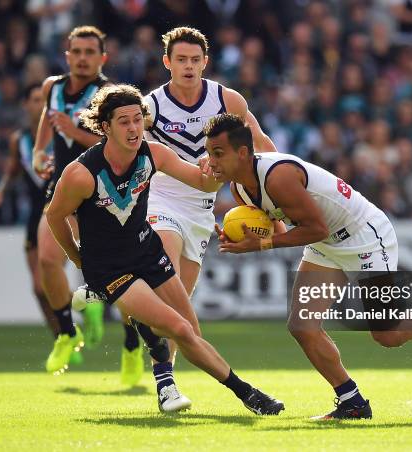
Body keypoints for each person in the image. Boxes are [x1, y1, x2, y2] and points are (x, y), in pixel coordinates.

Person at [205, 113, 412, 420]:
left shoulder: (278, 177)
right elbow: (280, 226)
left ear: (243, 153)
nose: (212, 162)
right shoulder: (239, 189)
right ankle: (352, 402)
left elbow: (315, 229)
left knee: (388, 335)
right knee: (302, 326)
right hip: (328, 243)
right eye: (209, 154)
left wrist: (260, 245)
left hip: (364, 235)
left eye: (218, 154)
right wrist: (248, 238)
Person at [46, 84, 285, 415]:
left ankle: (147, 334)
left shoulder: (153, 153)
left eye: (137, 120)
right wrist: (78, 258)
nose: (133, 129)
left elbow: (202, 182)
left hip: (146, 251)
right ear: (105, 127)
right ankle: (248, 395)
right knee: (179, 329)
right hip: (111, 269)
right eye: (123, 122)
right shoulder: (81, 174)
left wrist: (217, 168)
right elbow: (55, 216)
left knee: (191, 333)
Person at [142, 26, 277, 356]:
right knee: (167, 277)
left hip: (202, 207)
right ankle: (151, 350)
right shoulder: (151, 107)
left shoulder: (227, 100)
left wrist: (279, 194)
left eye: (194, 59)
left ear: (205, 62)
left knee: (179, 305)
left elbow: (261, 144)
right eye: (181, 59)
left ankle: (165, 373)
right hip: (162, 198)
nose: (188, 66)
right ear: (167, 62)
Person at [31, 25, 144, 384]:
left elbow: (116, 141)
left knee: (122, 277)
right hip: (63, 185)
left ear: (103, 57)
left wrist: (72, 129)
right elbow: (47, 122)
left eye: (89, 52)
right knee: (48, 259)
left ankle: (131, 344)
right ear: (67, 55)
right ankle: (67, 332)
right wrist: (38, 152)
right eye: (76, 51)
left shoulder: (109, 95)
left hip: (103, 188)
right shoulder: (53, 86)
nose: (82, 58)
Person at [0, 83, 60, 338]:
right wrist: (0, 191)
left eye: (44, 100)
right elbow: (14, 169)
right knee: (39, 288)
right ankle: (62, 336)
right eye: (35, 100)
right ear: (25, 105)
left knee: (51, 277)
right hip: (34, 215)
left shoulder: (62, 135)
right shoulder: (19, 140)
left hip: (60, 212)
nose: (40, 106)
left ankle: (76, 321)